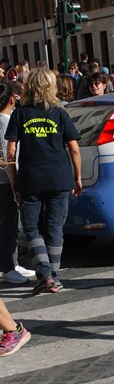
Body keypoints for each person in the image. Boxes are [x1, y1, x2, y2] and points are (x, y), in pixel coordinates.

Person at [5, 67, 82, 295]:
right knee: (54, 227)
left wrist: (14, 178)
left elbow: (10, 151)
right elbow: (74, 149)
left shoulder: (20, 114)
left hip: (31, 178)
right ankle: (54, 277)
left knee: (32, 228)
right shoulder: (59, 113)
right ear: (51, 86)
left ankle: (45, 274)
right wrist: (77, 176)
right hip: (59, 177)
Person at [0, 83, 35, 284]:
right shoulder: (5, 121)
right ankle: (8, 267)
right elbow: (8, 156)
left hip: (4, 180)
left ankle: (12, 264)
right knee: (9, 225)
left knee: (8, 224)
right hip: (5, 181)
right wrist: (16, 183)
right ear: (12, 99)